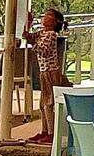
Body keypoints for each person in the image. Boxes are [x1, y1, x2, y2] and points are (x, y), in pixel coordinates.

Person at [23, 7, 66, 142]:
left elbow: (44, 50)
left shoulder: (51, 35)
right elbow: (28, 36)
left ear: (55, 21)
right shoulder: (42, 33)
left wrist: (34, 45)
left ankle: (52, 133)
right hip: (44, 71)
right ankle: (45, 130)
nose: (44, 17)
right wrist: (28, 23)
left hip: (50, 72)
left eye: (49, 15)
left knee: (49, 103)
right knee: (43, 104)